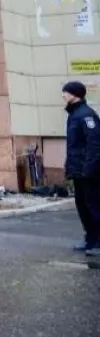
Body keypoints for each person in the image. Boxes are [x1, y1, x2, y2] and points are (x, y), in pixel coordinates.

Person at [62, 81, 100, 255]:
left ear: (75, 94)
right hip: (78, 170)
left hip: (89, 171)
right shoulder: (74, 114)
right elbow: (74, 147)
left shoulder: (86, 115)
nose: (63, 95)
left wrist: (89, 168)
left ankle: (98, 242)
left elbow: (95, 144)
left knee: (94, 206)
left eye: (66, 92)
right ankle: (90, 239)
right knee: (83, 206)